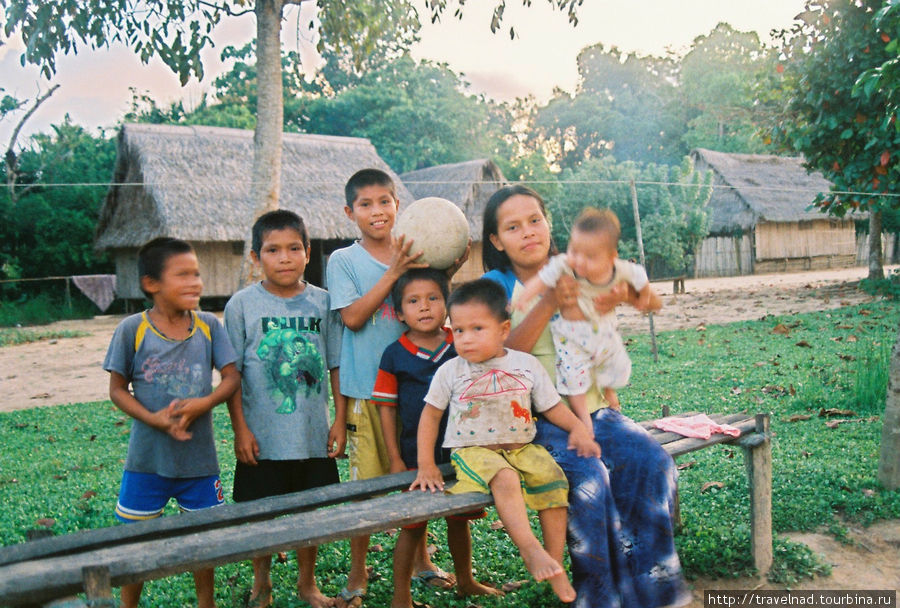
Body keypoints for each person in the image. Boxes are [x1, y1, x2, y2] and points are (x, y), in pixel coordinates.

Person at [481, 185, 689, 608]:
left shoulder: (583, 269)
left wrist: (609, 385)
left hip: (592, 408)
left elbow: (619, 316)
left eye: (535, 220)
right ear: (496, 241)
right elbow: (498, 356)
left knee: (652, 462)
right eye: (513, 227)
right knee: (592, 482)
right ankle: (600, 597)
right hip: (535, 420)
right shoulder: (493, 287)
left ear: (549, 223)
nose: (528, 232)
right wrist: (549, 302)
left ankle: (653, 591)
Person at [411, 278, 602, 604]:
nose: (466, 339)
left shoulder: (525, 365)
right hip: (474, 452)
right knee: (505, 478)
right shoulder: (451, 371)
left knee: (553, 478)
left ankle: (554, 562)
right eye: (458, 331)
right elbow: (429, 417)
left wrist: (577, 428)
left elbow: (552, 406)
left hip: (522, 448)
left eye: (477, 329)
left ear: (503, 329)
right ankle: (531, 551)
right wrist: (426, 464)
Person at [325, 168, 445, 608]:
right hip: (365, 393)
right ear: (350, 212)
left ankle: (422, 561)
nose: (377, 211)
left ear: (398, 205)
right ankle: (358, 570)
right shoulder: (344, 261)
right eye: (365, 204)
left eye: (384, 202)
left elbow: (436, 303)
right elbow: (353, 318)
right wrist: (394, 272)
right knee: (367, 486)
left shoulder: (418, 255)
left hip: (416, 390)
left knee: (418, 474)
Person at [103, 237, 240, 608]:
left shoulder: (209, 326)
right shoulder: (133, 329)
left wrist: (203, 404)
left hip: (199, 461)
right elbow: (117, 389)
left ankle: (205, 603)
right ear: (152, 284)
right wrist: (155, 420)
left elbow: (231, 377)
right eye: (183, 275)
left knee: (203, 542)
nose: (196, 282)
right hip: (147, 461)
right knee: (137, 543)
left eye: (197, 274)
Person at [224, 210, 345, 608]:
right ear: (257, 257)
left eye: (294, 248)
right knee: (260, 515)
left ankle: (307, 584)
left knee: (310, 513)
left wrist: (340, 420)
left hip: (311, 434)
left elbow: (334, 366)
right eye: (273, 250)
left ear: (308, 253)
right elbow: (232, 375)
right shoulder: (242, 305)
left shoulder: (324, 303)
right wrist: (241, 430)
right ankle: (262, 583)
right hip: (262, 437)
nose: (285, 257)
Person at [373, 269, 502, 608]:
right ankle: (400, 598)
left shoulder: (460, 345)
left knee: (459, 521)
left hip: (460, 450)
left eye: (433, 298)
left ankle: (465, 580)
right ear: (399, 313)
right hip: (416, 456)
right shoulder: (394, 354)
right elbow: (386, 409)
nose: (425, 307)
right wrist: (395, 459)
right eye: (413, 301)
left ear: (447, 304)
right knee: (413, 526)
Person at [516, 206, 659, 417]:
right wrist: (525, 296)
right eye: (575, 251)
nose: (580, 261)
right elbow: (542, 279)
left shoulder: (619, 270)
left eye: (590, 256)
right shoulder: (563, 264)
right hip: (570, 335)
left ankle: (609, 391)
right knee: (573, 377)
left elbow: (641, 278)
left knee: (614, 363)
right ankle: (584, 419)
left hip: (603, 330)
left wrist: (643, 298)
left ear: (611, 257)